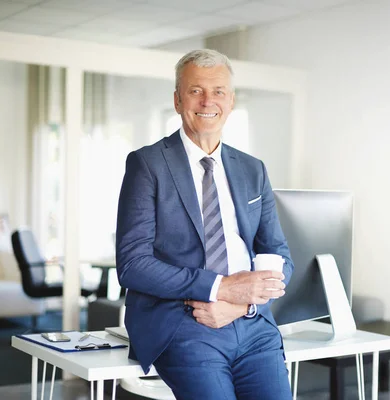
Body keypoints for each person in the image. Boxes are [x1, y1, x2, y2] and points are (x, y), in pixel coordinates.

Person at [116, 49, 294, 400]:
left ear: (230, 101)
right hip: (183, 322)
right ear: (178, 100)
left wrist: (243, 304)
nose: (207, 100)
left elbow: (279, 255)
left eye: (218, 91)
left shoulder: (252, 169)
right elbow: (133, 266)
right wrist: (219, 288)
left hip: (252, 323)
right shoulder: (147, 164)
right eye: (196, 90)